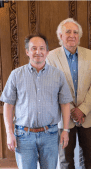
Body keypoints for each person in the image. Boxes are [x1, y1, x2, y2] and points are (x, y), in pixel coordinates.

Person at [0, 34, 72, 169]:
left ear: (47, 52)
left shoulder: (58, 75)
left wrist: (66, 130)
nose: (38, 52)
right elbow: (8, 105)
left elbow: (65, 103)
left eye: (42, 48)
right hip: (23, 136)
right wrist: (9, 133)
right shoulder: (16, 75)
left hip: (50, 134)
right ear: (27, 51)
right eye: (33, 48)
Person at [46, 18, 91, 169]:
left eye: (75, 32)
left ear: (79, 36)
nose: (72, 35)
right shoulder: (50, 57)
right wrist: (71, 110)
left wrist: (82, 110)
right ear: (60, 35)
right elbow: (52, 88)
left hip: (88, 115)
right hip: (63, 117)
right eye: (67, 31)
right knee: (65, 159)